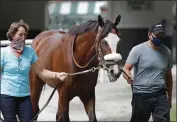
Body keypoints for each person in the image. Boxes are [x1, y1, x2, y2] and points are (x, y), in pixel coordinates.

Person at [0, 20, 68, 122]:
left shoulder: (30, 52)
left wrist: (57, 75)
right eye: (20, 34)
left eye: (25, 35)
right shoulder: (4, 53)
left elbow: (42, 71)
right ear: (13, 34)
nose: (23, 37)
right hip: (7, 97)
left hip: (25, 97)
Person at [123, 23, 173, 122]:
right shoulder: (137, 50)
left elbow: (168, 75)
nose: (160, 38)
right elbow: (126, 69)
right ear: (150, 35)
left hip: (160, 95)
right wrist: (127, 76)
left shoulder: (167, 52)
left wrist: (170, 97)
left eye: (162, 35)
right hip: (141, 95)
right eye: (157, 35)